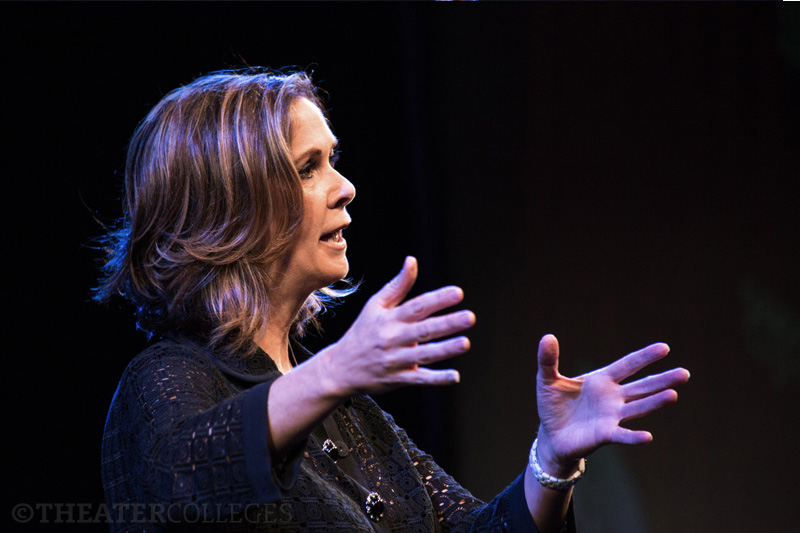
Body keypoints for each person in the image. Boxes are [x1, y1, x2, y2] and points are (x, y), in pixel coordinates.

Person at [96, 69, 690, 532]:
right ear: (232, 207)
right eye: (308, 168)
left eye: (332, 160)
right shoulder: (167, 379)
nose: (345, 187)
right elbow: (183, 480)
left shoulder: (350, 412)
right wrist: (337, 370)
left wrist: (551, 461)